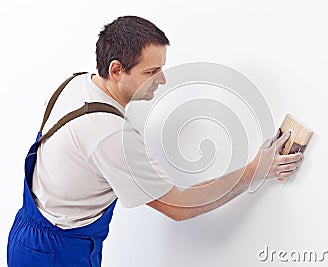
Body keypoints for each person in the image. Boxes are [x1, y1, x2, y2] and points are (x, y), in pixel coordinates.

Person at [7, 15, 303, 266]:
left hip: (26, 234)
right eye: (151, 71)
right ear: (116, 70)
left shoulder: (75, 83)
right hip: (57, 254)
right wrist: (254, 171)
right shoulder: (110, 136)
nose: (162, 80)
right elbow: (179, 206)